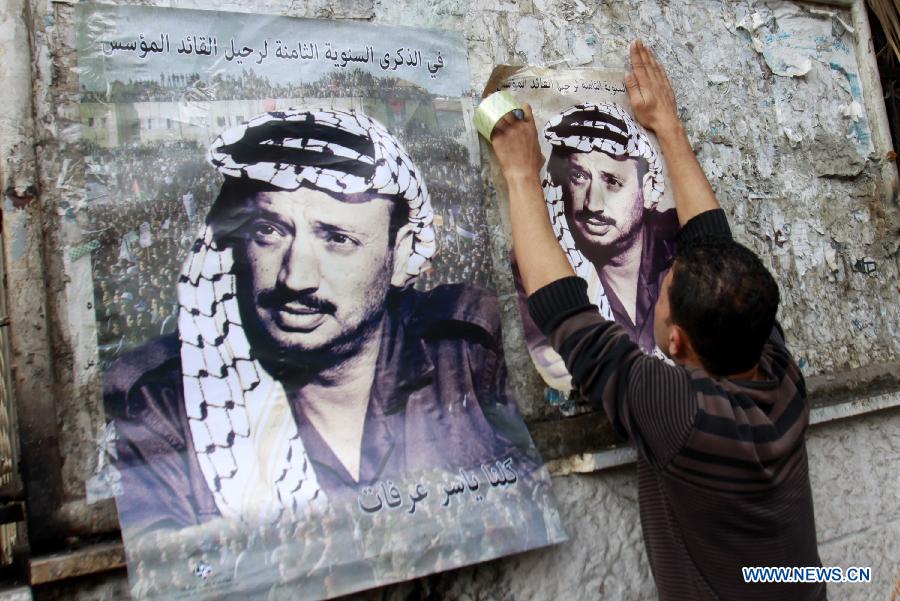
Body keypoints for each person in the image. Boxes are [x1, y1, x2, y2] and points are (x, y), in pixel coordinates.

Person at [491, 40, 825, 601]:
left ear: (674, 341)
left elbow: (566, 315)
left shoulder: (684, 417)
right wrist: (668, 128)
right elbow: (714, 245)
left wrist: (522, 177)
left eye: (666, 289)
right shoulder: (778, 372)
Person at [105, 108, 535, 536]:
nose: (295, 278)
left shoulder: (467, 350)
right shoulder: (164, 404)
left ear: (400, 255)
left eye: (337, 239)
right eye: (270, 232)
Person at [513, 102, 678, 391]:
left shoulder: (680, 255)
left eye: (612, 181)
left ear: (647, 187)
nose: (593, 204)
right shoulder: (530, 269)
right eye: (578, 177)